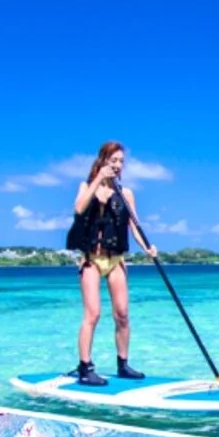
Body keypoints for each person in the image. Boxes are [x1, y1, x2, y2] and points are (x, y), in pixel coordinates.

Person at [66, 141, 158, 386]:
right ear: (102, 160)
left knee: (123, 314)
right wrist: (98, 180)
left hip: (116, 259)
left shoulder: (126, 194)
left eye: (121, 162)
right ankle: (85, 367)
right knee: (93, 314)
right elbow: (79, 208)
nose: (117, 166)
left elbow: (135, 226)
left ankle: (123, 364)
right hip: (91, 260)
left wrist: (147, 248)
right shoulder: (86, 187)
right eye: (113, 160)